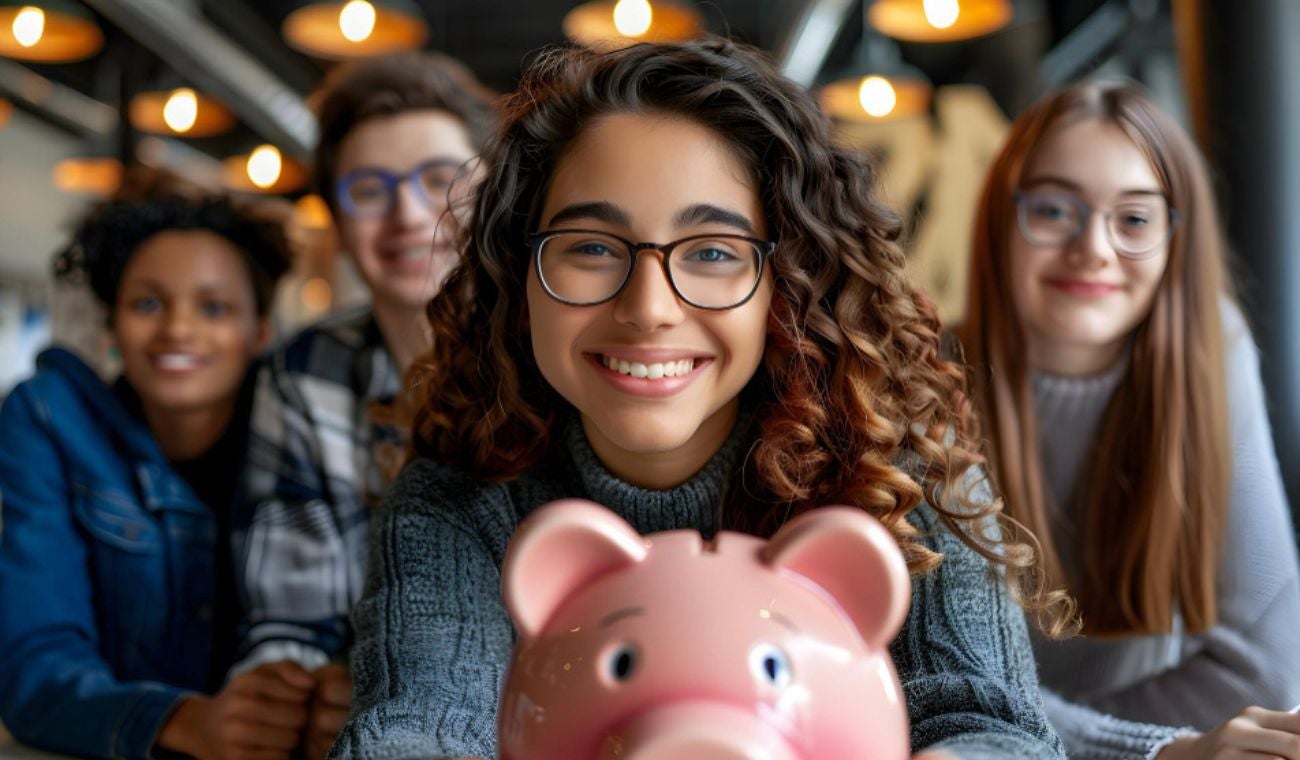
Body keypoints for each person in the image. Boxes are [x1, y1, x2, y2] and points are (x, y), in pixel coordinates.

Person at [328, 37, 1072, 759]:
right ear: (517, 280)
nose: (649, 307)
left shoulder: (898, 475)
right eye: (590, 247)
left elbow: (993, 725)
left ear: (792, 281)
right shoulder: (459, 499)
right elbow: (422, 725)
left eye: (714, 252)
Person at [960, 80, 1300, 759]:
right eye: (1055, 210)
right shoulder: (923, 381)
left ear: (1178, 240)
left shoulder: (1213, 355)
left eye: (1135, 219)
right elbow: (961, 691)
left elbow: (1267, 664)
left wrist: (1064, 740)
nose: (1095, 248)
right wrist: (1146, 750)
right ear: (1003, 219)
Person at [232, 51, 495, 758]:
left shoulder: (559, 354)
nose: (410, 215)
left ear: (494, 191)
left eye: (441, 179)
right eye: (369, 189)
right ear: (337, 220)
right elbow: (291, 607)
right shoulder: (304, 370)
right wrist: (295, 690)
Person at [0, 183, 301, 759]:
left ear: (260, 330)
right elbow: (33, 668)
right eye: (147, 304)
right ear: (112, 325)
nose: (178, 331)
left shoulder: (311, 434)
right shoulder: (49, 421)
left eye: (214, 308)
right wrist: (182, 720)